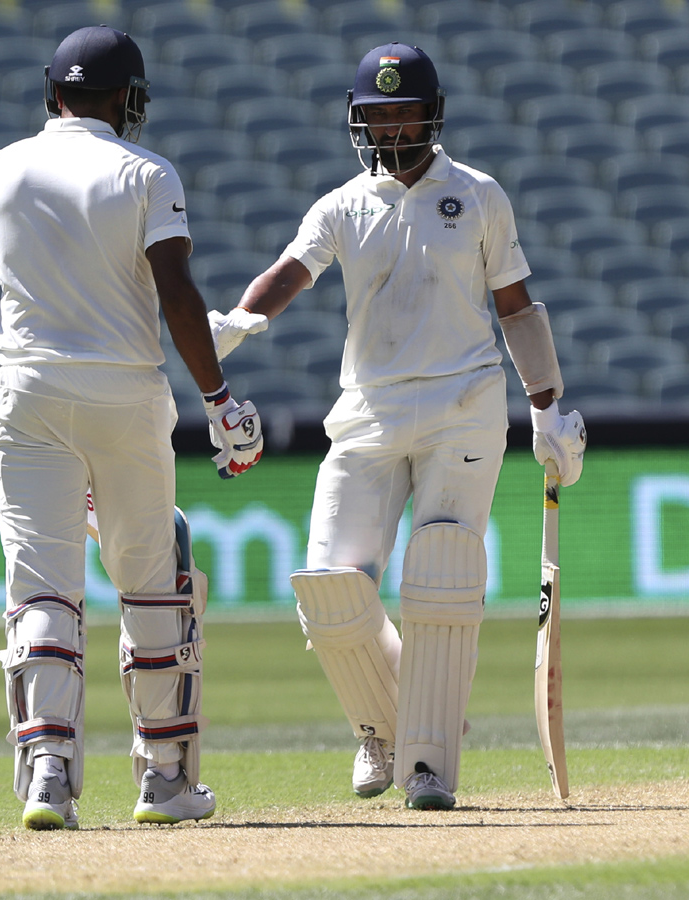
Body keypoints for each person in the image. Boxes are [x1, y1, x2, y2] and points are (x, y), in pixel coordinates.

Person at [207, 43, 586, 810]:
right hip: (367, 410)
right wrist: (241, 321)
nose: (389, 127)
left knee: (443, 574)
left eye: (402, 112)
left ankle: (427, 765)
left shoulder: (479, 195)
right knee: (330, 588)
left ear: (431, 114)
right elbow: (292, 270)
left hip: (463, 404)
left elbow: (515, 307)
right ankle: (385, 727)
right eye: (375, 115)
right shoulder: (342, 204)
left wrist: (547, 405)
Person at [0, 25, 263, 831]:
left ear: (54, 92)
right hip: (126, 398)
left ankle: (48, 775)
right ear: (127, 100)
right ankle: (165, 781)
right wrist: (221, 402)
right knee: (152, 583)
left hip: (30, 396)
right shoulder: (146, 172)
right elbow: (178, 294)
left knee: (42, 585)